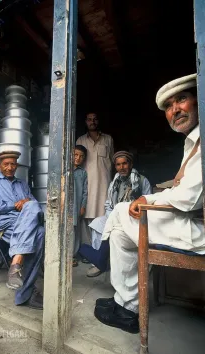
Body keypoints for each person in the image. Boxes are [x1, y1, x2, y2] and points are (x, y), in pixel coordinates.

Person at [94, 73, 205, 333]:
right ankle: (126, 303)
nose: (175, 109)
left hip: (198, 228)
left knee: (123, 213)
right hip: (191, 219)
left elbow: (188, 197)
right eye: (168, 106)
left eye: (181, 100)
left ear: (198, 100)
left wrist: (145, 198)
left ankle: (126, 305)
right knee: (121, 227)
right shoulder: (192, 142)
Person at [0, 151, 45, 310]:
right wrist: (16, 205)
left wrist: (27, 201)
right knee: (39, 233)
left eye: (13, 164)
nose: (10, 167)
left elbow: (35, 207)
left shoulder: (22, 184)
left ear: (17, 165)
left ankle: (16, 262)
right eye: (6, 164)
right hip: (3, 227)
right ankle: (25, 293)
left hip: (23, 225)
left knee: (37, 223)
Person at [80, 150, 151, 277]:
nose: (122, 167)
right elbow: (109, 204)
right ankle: (100, 263)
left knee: (113, 231)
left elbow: (147, 203)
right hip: (113, 216)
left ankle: (104, 260)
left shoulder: (141, 181)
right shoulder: (114, 183)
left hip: (133, 219)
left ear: (130, 164)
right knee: (97, 224)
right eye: (118, 165)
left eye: (124, 163)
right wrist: (110, 217)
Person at [76, 112, 114, 246]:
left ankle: (100, 248)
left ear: (98, 121)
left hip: (104, 184)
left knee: (104, 214)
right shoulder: (80, 140)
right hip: (87, 184)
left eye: (95, 119)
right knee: (86, 214)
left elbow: (112, 160)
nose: (92, 121)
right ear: (86, 122)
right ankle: (88, 248)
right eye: (89, 119)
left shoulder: (108, 139)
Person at [73, 145, 88, 267]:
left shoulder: (83, 173)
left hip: (77, 206)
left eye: (81, 156)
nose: (78, 158)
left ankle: (73, 255)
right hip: (65, 207)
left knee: (75, 230)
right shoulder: (65, 170)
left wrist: (83, 206)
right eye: (75, 155)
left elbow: (85, 191)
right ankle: (64, 255)